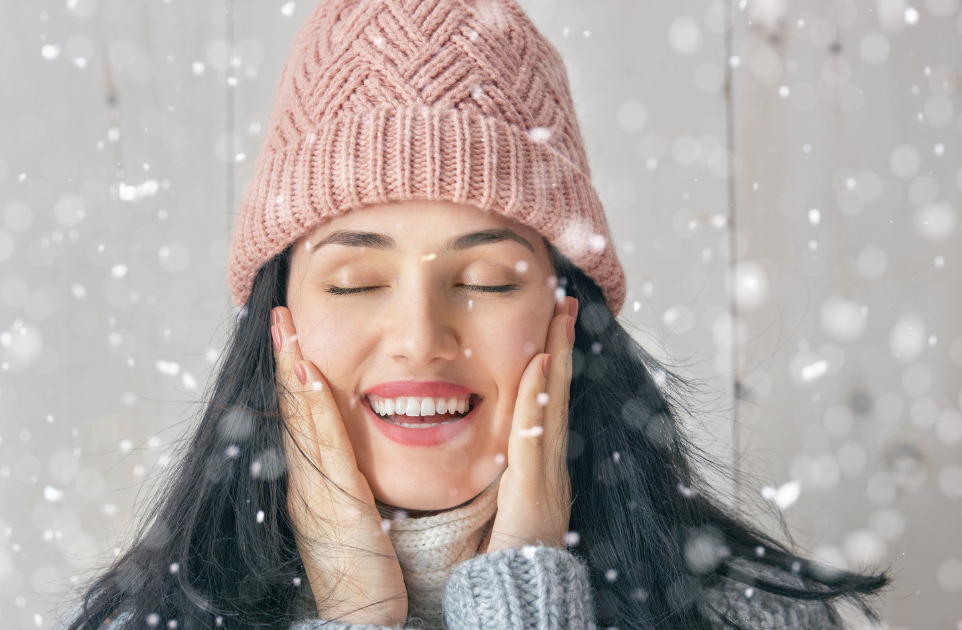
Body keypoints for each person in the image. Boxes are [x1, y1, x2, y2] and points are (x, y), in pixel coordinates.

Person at [60, 0, 888, 628]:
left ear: (568, 314)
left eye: (489, 278)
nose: (421, 338)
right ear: (280, 323)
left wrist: (529, 592)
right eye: (355, 281)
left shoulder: (747, 616)